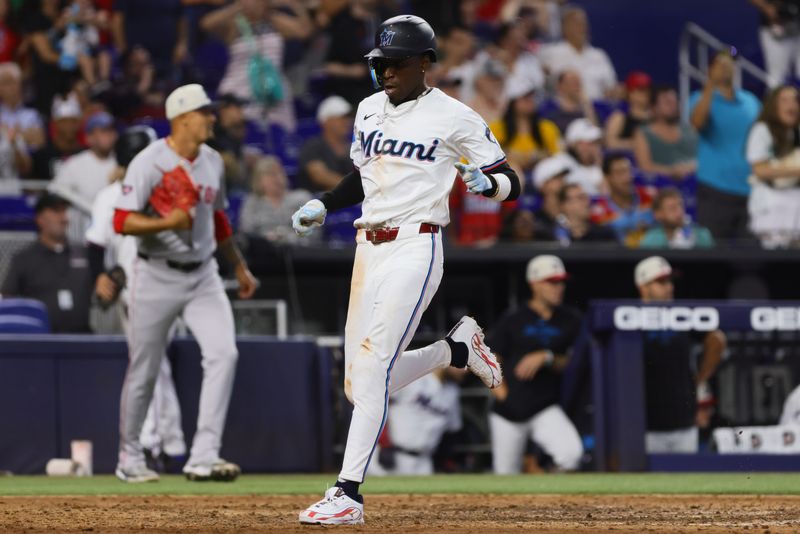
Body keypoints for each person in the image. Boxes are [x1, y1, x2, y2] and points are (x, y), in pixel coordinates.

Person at [292, 15, 519, 525]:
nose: (386, 70)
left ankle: (347, 493)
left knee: (373, 367)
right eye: (380, 62)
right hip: (366, 247)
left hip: (417, 244)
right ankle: (456, 349)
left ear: (425, 63)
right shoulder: (369, 108)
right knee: (360, 384)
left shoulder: (454, 115)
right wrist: (326, 203)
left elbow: (510, 178)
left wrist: (490, 187)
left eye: (396, 62)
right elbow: (365, 176)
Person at [112, 83, 258, 483]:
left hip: (203, 274)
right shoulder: (149, 162)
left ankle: (204, 455)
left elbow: (218, 219)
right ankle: (129, 458)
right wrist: (166, 223)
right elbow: (121, 221)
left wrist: (239, 268)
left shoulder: (212, 160)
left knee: (223, 354)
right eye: (205, 112)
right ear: (182, 118)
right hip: (155, 272)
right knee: (144, 369)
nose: (212, 117)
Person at [85, 125, 186, 472]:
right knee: (154, 365)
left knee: (151, 364)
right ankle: (168, 444)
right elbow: (96, 246)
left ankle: (155, 442)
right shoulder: (113, 195)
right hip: (136, 290)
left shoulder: (166, 192)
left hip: (165, 285)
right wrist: (100, 275)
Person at [486, 255, 584, 474]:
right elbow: (490, 359)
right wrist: (503, 395)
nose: (559, 288)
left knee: (571, 455)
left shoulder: (571, 320)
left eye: (561, 282)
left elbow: (574, 362)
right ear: (535, 284)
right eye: (552, 282)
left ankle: (547, 501)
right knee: (505, 475)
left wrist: (547, 356)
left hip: (544, 405)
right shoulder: (514, 319)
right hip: (507, 410)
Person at [635, 256, 726, 453]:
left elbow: (717, 340)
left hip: (683, 422)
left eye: (670, 281)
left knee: (687, 482)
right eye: (660, 282)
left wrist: (700, 379)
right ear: (643, 287)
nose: (668, 287)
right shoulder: (630, 318)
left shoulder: (683, 316)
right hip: (643, 426)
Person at [201, 0, 312, 131]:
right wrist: (238, 7)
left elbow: (304, 31)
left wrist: (294, 5)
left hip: (271, 89)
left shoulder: (274, 21)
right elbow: (206, 24)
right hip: (239, 89)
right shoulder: (234, 24)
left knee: (279, 135)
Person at [689, 52, 761, 240]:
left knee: (753, 256)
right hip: (715, 188)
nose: (727, 68)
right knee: (713, 253)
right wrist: (710, 85)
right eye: (721, 64)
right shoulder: (699, 98)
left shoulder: (751, 101)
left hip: (750, 190)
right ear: (710, 69)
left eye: (731, 64)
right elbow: (697, 123)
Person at [1, 192, 91, 333]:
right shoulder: (24, 259)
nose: (64, 218)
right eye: (56, 212)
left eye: (64, 212)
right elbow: (7, 297)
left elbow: (103, 288)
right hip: (40, 342)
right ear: (40, 219)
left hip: (82, 338)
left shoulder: (83, 254)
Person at [369, 368, 462, 476]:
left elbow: (452, 430)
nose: (465, 371)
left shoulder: (453, 392)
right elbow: (377, 406)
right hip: (389, 456)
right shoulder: (413, 377)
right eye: (462, 366)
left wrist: (446, 460)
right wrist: (384, 442)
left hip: (424, 462)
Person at [49, 111, 118, 244]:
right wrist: (88, 206)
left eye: (111, 130)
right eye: (103, 131)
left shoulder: (120, 163)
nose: (109, 135)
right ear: (89, 137)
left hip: (111, 233)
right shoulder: (75, 163)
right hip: (80, 235)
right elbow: (55, 190)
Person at [745, 84, 800, 248]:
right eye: (784, 100)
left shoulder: (797, 131)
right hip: (771, 204)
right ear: (773, 105)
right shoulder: (762, 130)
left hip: (796, 202)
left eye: (795, 100)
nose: (791, 105)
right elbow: (759, 170)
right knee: (775, 259)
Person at [538, 7, 618, 101]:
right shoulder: (549, 53)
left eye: (583, 24)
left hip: (596, 109)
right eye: (576, 24)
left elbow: (611, 87)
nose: (581, 28)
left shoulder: (599, 55)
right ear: (564, 28)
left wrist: (614, 92)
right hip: (563, 111)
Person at [491, 79, 561, 176]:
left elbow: (557, 156)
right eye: (525, 97)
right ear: (512, 102)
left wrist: (539, 157)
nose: (530, 101)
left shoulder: (547, 127)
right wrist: (511, 157)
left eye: (532, 97)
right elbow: (489, 156)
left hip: (542, 175)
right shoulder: (497, 127)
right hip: (509, 176)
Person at [239, 155, 312, 244]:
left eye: (279, 172)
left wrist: (284, 237)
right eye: (270, 174)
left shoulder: (302, 198)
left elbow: (311, 234)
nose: (276, 178)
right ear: (258, 180)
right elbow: (246, 231)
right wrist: (266, 238)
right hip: (261, 250)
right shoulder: (252, 202)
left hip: (295, 251)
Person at [111, 0, 188, 81]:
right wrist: (125, 51)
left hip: (168, 56)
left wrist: (182, 44)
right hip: (138, 57)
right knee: (139, 89)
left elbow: (181, 19)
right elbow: (117, 20)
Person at [633, 86, 698, 180]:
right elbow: (645, 167)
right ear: (653, 107)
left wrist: (691, 167)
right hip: (665, 185)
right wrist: (671, 171)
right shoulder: (642, 133)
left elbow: (706, 157)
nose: (673, 106)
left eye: (675, 102)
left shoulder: (690, 129)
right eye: (668, 103)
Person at [591, 153, 655, 247]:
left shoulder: (650, 199)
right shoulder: (599, 213)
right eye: (620, 173)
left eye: (629, 171)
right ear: (607, 178)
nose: (628, 177)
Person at [297, 95, 354, 193]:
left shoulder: (353, 148)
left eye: (347, 118)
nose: (346, 122)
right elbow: (320, 176)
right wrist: (354, 186)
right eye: (341, 118)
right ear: (326, 121)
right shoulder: (313, 146)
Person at [640, 187, 715, 249]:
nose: (679, 212)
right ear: (658, 214)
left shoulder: (701, 235)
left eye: (680, 205)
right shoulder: (651, 240)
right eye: (672, 208)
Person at [30, 95, 83, 181]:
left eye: (73, 121)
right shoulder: (42, 155)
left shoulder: (85, 154)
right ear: (55, 124)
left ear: (79, 124)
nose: (69, 126)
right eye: (64, 121)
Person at [750, 0, 800, 88]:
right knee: (777, 77)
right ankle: (776, 100)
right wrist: (766, 7)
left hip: (796, 20)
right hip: (777, 25)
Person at [206, 93, 249, 193]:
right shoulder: (211, 129)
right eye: (236, 108)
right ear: (223, 110)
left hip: (234, 183)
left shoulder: (236, 130)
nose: (241, 112)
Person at [0, 62, 45, 150]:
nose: (11, 87)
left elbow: (40, 140)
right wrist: (24, 135)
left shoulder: (32, 114)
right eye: (6, 83)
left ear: (20, 85)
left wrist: (7, 135)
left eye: (14, 82)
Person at [539, 70, 598, 134]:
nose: (577, 86)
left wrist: (586, 105)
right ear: (560, 86)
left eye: (578, 82)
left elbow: (594, 131)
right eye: (572, 82)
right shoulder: (548, 108)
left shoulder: (591, 106)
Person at [604, 71, 651, 151]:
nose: (646, 93)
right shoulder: (620, 117)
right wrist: (634, 144)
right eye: (641, 89)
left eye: (648, 89)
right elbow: (609, 142)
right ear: (630, 93)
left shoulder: (656, 118)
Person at [531, 155, 570, 239]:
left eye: (563, 178)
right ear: (543, 185)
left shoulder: (572, 214)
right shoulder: (535, 221)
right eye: (557, 178)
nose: (563, 182)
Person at [562, 118, 603, 195]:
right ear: (573, 144)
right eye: (587, 143)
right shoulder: (563, 165)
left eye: (595, 142)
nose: (593, 148)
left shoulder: (602, 165)